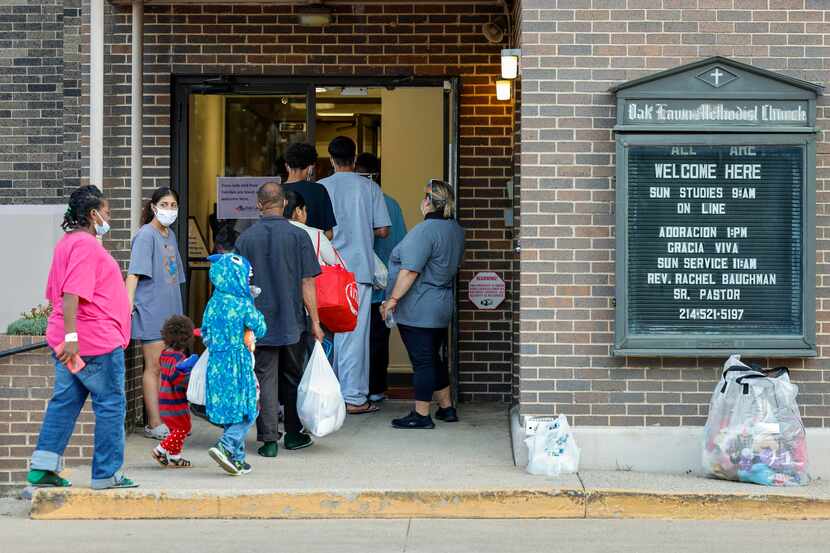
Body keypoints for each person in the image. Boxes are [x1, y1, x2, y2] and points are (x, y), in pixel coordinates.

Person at [26, 185, 137, 490]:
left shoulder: (66, 243)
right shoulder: (88, 246)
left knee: (65, 401)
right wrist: (74, 336)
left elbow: (54, 293)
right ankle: (107, 473)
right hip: (94, 342)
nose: (108, 217)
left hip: (72, 342)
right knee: (111, 404)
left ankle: (43, 468)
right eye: (107, 211)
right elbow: (71, 292)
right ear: (93, 214)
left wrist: (70, 336)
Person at [236, 182, 325, 457]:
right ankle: (295, 435)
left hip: (259, 321)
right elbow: (307, 281)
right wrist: (316, 321)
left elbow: (239, 286)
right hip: (292, 320)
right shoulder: (299, 236)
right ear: (284, 203)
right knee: (293, 375)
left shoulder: (245, 239)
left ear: (259, 204)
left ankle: (269, 440)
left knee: (265, 376)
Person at [381, 180, 465, 430]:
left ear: (428, 200)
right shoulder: (455, 229)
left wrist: (392, 301)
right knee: (433, 358)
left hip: (419, 306)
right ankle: (447, 408)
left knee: (422, 361)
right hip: (440, 304)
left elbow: (409, 271)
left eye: (424, 196)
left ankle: (421, 414)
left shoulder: (425, 231)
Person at [319, 137, 391, 415]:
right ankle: (352, 397)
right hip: (358, 270)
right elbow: (383, 229)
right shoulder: (369, 187)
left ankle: (330, 393)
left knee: (326, 334)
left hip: (327, 269)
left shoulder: (321, 188)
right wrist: (360, 230)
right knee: (354, 335)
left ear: (331, 158)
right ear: (355, 156)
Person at [126, 187, 186, 441]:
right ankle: (154, 422)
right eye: (164, 204)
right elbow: (133, 275)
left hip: (171, 313)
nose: (169, 210)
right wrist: (126, 308)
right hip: (150, 312)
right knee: (154, 367)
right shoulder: (145, 236)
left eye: (173, 205)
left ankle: (167, 418)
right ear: (153, 207)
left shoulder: (169, 234)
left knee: (169, 367)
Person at [202, 253, 266, 476]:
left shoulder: (213, 302)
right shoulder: (242, 304)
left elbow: (206, 334)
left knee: (232, 412)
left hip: (217, 363)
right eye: (246, 278)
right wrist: (252, 302)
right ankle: (226, 446)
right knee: (250, 409)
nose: (248, 282)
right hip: (238, 363)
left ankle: (237, 459)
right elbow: (260, 327)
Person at [355, 153, 407, 403]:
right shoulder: (391, 205)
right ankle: (376, 388)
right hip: (384, 286)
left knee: (353, 340)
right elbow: (401, 247)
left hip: (353, 285)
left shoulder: (352, 203)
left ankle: (354, 390)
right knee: (377, 339)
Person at [151, 315, 198, 469]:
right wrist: (187, 370)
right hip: (175, 400)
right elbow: (175, 377)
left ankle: (175, 456)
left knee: (175, 429)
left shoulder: (164, 354)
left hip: (164, 399)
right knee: (183, 428)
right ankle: (161, 449)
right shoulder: (179, 357)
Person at [282, 142, 337, 240]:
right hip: (311, 252)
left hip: (282, 252)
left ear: (287, 165)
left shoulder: (275, 192)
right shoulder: (319, 190)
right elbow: (329, 234)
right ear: (310, 167)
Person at [284, 190, 340, 267]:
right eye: (305, 209)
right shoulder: (315, 234)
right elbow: (335, 261)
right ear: (298, 211)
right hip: (312, 278)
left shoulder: (270, 233)